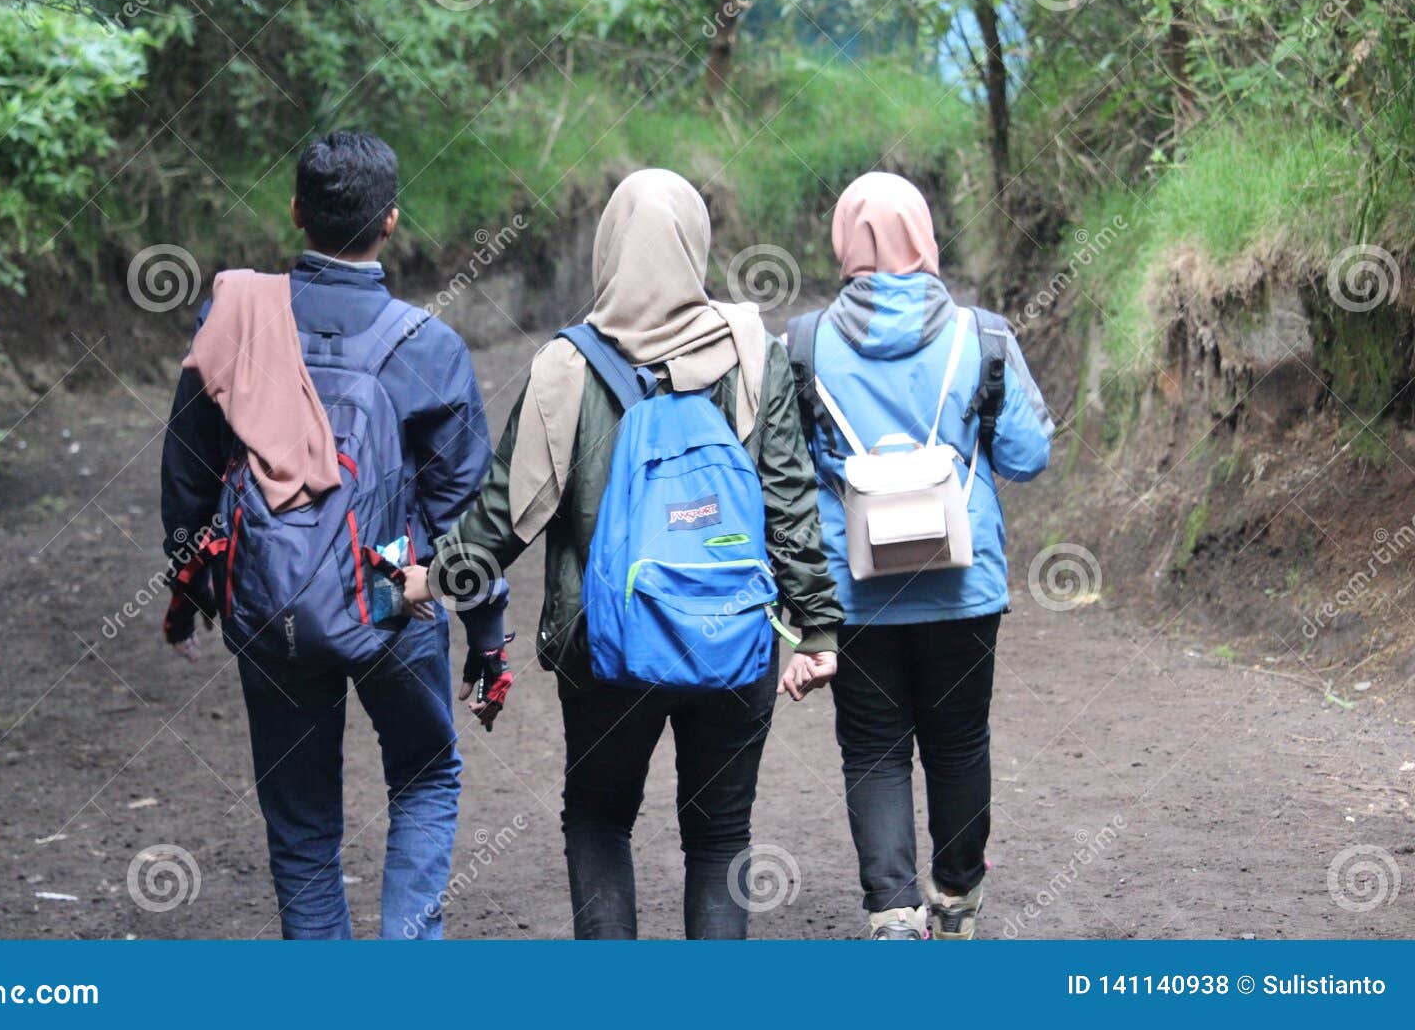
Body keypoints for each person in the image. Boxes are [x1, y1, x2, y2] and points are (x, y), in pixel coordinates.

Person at [403, 168, 843, 939]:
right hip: (732, 640)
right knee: (720, 836)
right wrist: (818, 628)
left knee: (601, 821)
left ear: (609, 248)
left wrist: (430, 578)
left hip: (608, 649)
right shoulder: (753, 351)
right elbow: (789, 500)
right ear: (694, 244)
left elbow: (503, 516)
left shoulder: (565, 366)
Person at [159, 130, 506, 939]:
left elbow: (188, 471)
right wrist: (488, 638)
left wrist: (200, 586)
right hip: (390, 585)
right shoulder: (431, 347)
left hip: (270, 590)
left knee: (303, 823)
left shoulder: (234, 318)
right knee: (424, 774)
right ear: (391, 221)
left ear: (294, 214)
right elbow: (465, 513)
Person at [787, 172, 1053, 940]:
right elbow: (1028, 455)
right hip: (963, 584)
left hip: (853, 590)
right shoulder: (984, 335)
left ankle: (893, 912)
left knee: (872, 748)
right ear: (926, 237)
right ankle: (957, 897)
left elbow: (788, 470)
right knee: (959, 738)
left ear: (845, 243)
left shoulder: (801, 344)